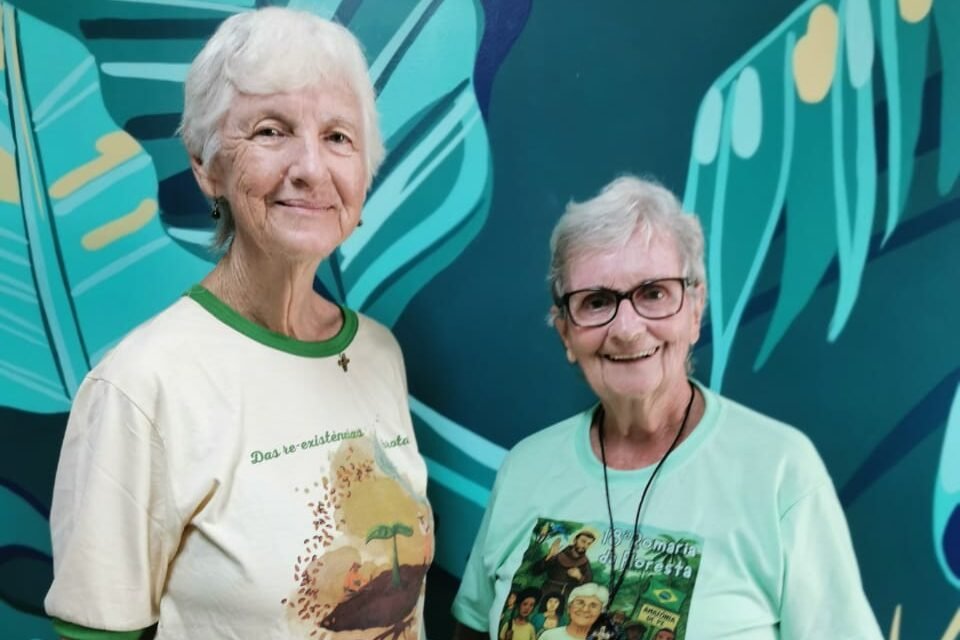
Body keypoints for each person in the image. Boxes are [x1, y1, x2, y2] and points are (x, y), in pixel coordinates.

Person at [44, 8, 432, 640]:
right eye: (273, 131)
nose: (311, 167)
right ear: (206, 165)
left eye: (339, 137)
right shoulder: (140, 387)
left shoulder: (378, 352)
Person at [451, 176, 883, 638]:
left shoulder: (780, 471)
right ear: (565, 333)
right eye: (596, 302)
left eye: (653, 293)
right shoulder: (525, 469)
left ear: (695, 310)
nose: (627, 328)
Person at [530, 529, 596, 597]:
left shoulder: (585, 562)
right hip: (548, 592)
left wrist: (580, 577)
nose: (585, 546)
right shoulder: (558, 554)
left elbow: (589, 585)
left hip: (568, 596)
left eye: (589, 543)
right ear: (575, 540)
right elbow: (535, 571)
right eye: (583, 541)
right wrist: (549, 556)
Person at [537, 584, 608, 640]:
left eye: (593, 605)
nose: (585, 609)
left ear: (600, 613)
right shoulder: (549, 636)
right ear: (569, 608)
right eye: (580, 602)